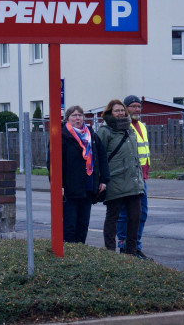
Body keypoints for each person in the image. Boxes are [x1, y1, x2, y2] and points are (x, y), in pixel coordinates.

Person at [49, 105, 109, 244]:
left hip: (88, 187)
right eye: (74, 115)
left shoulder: (91, 135)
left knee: (83, 224)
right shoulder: (61, 136)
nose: (78, 118)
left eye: (80, 115)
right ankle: (70, 251)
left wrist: (104, 179)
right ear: (67, 118)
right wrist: (58, 184)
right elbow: (53, 163)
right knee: (70, 224)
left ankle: (80, 250)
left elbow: (102, 156)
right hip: (70, 188)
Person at [97, 99, 145, 256]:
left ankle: (130, 251)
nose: (120, 113)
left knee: (135, 216)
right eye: (116, 111)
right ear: (110, 113)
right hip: (115, 181)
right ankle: (110, 252)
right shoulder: (105, 131)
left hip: (133, 182)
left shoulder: (129, 129)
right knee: (113, 216)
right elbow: (99, 156)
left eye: (121, 110)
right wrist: (102, 179)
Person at [116, 95, 152, 260]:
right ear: (126, 108)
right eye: (133, 106)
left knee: (141, 213)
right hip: (128, 177)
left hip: (141, 177)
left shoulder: (142, 127)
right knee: (126, 213)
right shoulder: (123, 126)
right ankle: (124, 246)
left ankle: (136, 245)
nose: (136, 110)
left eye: (139, 107)